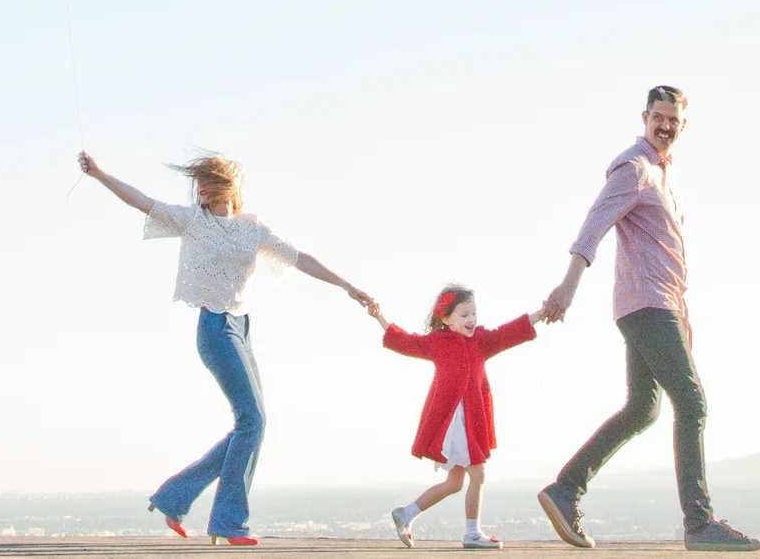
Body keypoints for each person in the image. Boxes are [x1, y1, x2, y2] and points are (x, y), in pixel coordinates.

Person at [80, 148, 376, 546]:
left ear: (228, 187)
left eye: (208, 182)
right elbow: (140, 200)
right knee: (252, 421)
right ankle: (227, 520)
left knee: (252, 424)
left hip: (241, 327)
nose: (199, 189)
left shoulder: (252, 229)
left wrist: (349, 287)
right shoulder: (191, 221)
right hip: (214, 328)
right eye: (197, 182)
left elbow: (301, 258)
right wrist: (99, 174)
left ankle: (174, 497)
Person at [534, 86, 760, 553]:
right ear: (644, 117)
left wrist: (685, 321)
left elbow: (669, 258)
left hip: (660, 308)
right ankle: (698, 523)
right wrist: (568, 286)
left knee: (644, 409)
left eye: (673, 120)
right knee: (692, 404)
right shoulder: (634, 168)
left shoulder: (662, 175)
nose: (665, 126)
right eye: (658, 117)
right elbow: (593, 225)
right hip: (647, 306)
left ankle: (566, 487)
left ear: (682, 125)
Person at [370, 284, 549, 550]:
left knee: (455, 483)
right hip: (454, 422)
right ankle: (472, 534)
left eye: (473, 313)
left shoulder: (482, 340)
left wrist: (541, 313)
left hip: (471, 420)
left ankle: (405, 514)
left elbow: (508, 333)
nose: (471, 319)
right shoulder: (436, 343)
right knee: (478, 475)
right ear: (446, 319)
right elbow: (405, 341)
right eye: (464, 314)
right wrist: (379, 317)